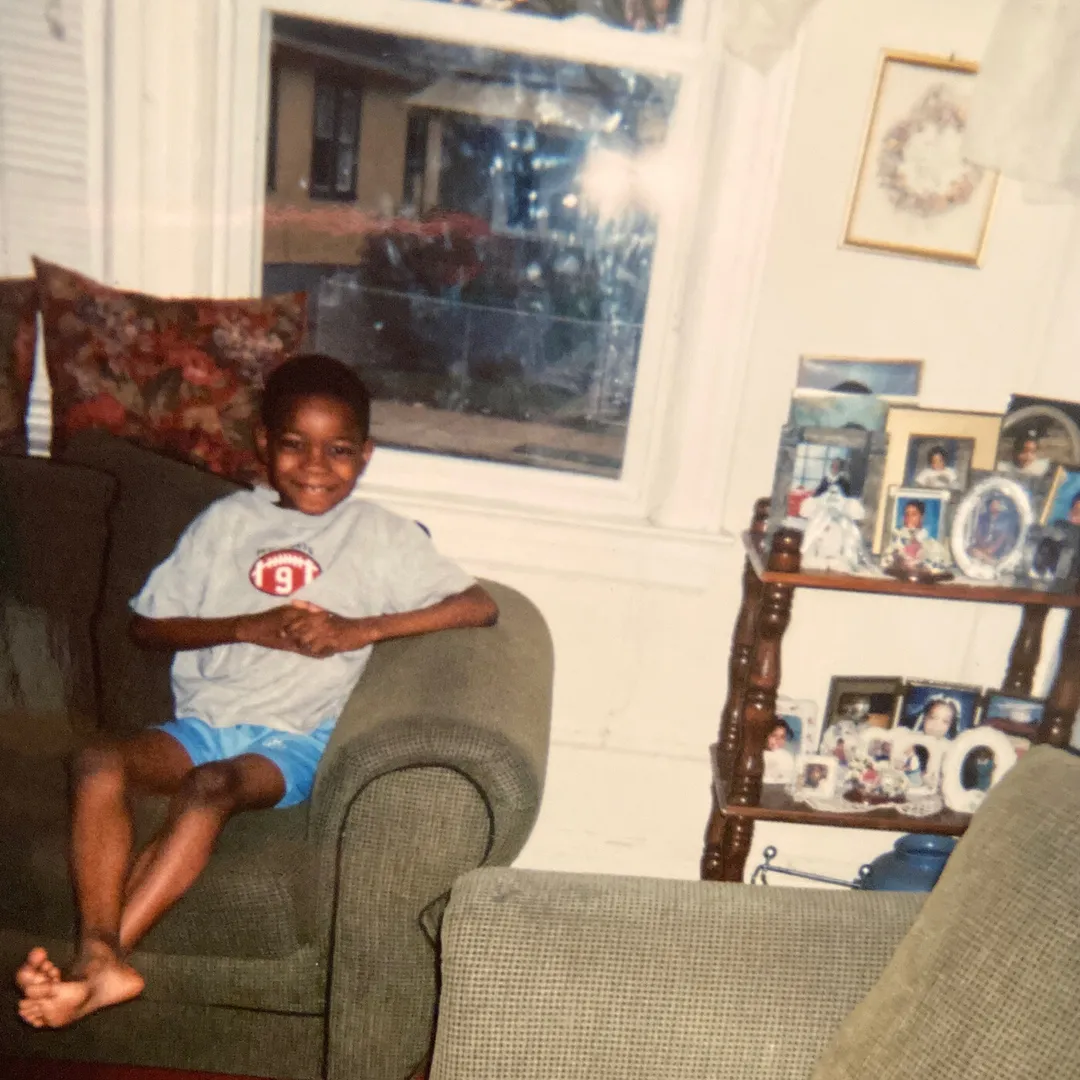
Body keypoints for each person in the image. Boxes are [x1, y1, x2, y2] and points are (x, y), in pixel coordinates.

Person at [15, 354, 499, 1029]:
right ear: (265, 444)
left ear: (365, 455)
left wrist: (357, 630)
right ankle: (100, 957)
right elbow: (148, 627)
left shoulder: (379, 535)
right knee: (97, 761)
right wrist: (248, 626)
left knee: (211, 787)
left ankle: (91, 970)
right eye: (295, 445)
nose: (315, 466)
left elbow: (477, 606)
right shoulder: (225, 524)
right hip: (206, 723)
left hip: (296, 739)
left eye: (338, 450)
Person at [881, 499, 948, 573]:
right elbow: (885, 562)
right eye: (907, 514)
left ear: (922, 517)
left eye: (913, 514)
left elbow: (940, 566)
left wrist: (921, 564)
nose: (909, 517)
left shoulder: (931, 543)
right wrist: (898, 559)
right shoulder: (897, 538)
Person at [970, 494, 1020, 563]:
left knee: (992, 559)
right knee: (973, 551)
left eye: (996, 504)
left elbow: (1001, 538)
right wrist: (983, 546)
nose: (994, 506)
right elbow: (977, 533)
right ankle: (983, 557)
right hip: (980, 547)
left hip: (995, 552)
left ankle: (987, 558)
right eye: (992, 504)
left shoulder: (1005, 520)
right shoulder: (982, 517)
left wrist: (991, 549)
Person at [763, 718, 796, 784]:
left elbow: (790, 778)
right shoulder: (759, 754)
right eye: (774, 735)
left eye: (782, 737)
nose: (778, 740)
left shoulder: (787, 757)